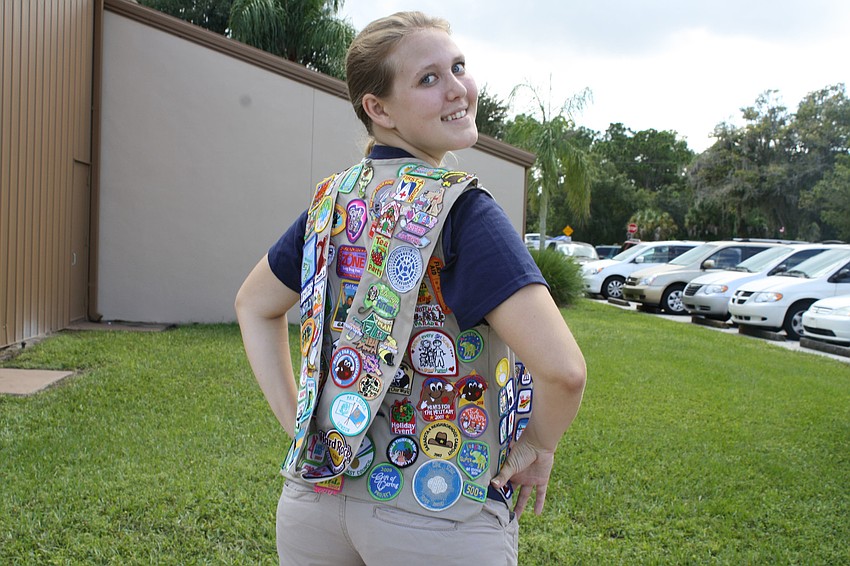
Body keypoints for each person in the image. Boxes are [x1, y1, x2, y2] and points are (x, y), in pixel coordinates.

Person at [235, 11, 586, 565]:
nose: (458, 90)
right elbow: (564, 372)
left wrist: (296, 422)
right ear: (378, 109)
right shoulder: (465, 210)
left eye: (459, 68)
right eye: (428, 79)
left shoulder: (331, 202)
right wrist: (540, 445)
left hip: (312, 501)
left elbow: (254, 306)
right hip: (439, 514)